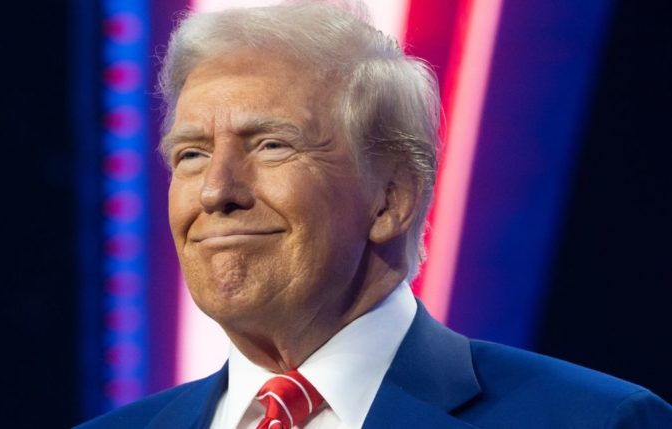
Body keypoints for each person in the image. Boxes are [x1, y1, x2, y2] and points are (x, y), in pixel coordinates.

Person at [77, 1, 672, 428]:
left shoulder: (594, 419)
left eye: (270, 144)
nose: (216, 191)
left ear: (392, 199)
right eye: (192, 154)